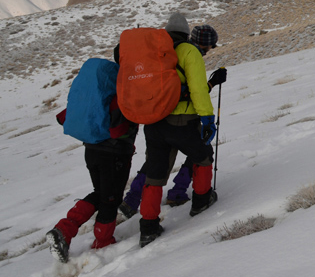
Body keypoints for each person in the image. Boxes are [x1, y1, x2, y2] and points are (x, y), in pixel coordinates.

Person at [136, 14, 226, 248]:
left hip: (154, 121)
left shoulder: (153, 50)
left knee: (155, 174)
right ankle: (201, 202)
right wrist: (208, 118)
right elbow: (197, 88)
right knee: (204, 157)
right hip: (183, 120)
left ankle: (148, 227)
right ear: (187, 34)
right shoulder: (188, 51)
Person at [46, 83, 139, 262]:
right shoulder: (120, 94)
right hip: (114, 154)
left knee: (102, 193)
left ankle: (64, 230)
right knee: (110, 199)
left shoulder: (97, 95)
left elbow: (63, 117)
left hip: (92, 151)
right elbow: (119, 127)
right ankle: (102, 242)